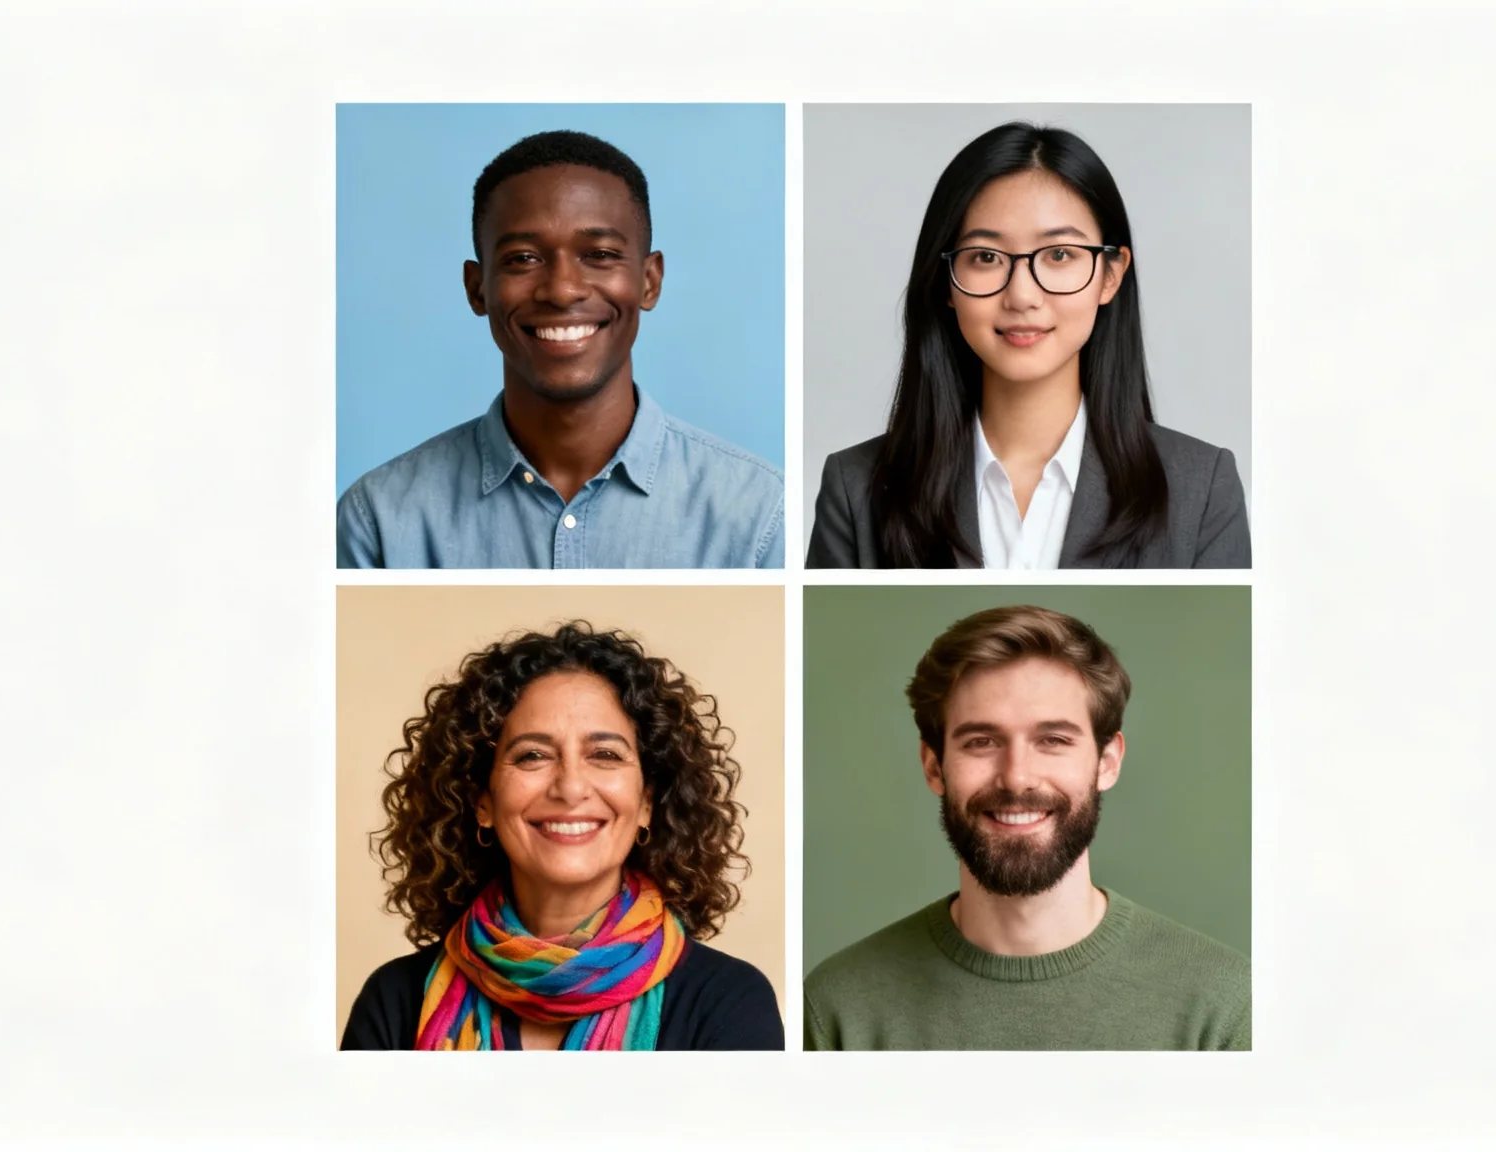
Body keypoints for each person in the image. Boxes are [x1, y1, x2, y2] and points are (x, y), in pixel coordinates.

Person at [802, 605, 1250, 1050]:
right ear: (934, 765)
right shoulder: (838, 1008)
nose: (1016, 778)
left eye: (1053, 740)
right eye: (981, 742)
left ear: (1107, 762)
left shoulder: (1226, 1006)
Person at [806, 122, 1249, 569]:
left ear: (1111, 275)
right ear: (946, 282)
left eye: (1059, 255)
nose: (1021, 296)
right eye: (985, 257)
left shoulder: (1202, 489)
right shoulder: (856, 489)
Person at [338, 129, 785, 569]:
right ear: (477, 289)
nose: (562, 289)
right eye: (523, 259)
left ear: (649, 281)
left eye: (600, 254)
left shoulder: (757, 513)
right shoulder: (378, 521)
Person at [342, 622, 782, 1050]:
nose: (570, 788)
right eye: (532, 755)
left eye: (605, 754)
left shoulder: (729, 1004)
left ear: (647, 802)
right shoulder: (395, 1001)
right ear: (482, 802)